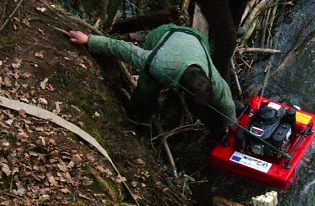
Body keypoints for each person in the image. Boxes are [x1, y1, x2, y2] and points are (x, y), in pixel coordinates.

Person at [68, 23, 236, 132]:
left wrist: (231, 123)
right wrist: (90, 40)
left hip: (196, 37)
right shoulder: (159, 64)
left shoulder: (214, 79)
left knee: (202, 106)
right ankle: (140, 120)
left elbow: (227, 103)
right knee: (146, 91)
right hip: (164, 33)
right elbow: (124, 49)